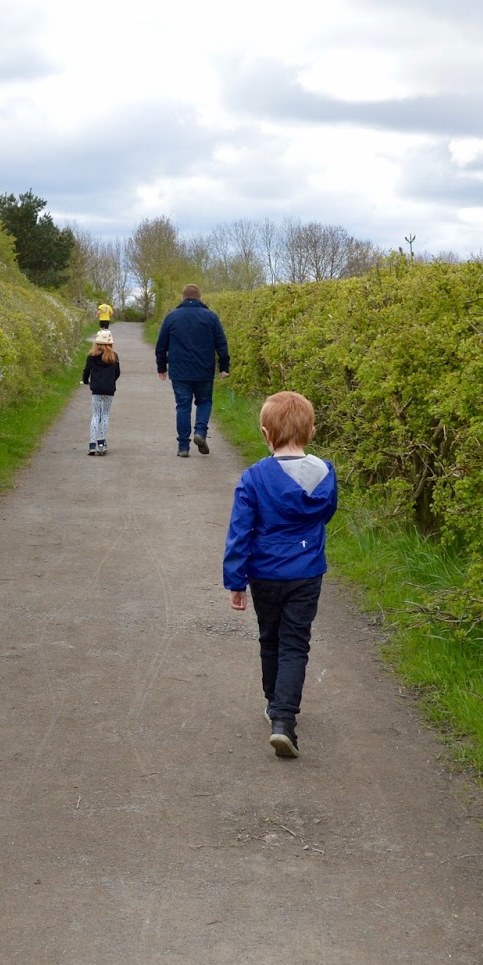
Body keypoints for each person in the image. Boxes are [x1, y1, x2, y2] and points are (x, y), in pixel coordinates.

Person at [223, 391, 338, 759]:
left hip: (265, 574)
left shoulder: (255, 478)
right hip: (306, 572)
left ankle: (275, 703)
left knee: (269, 637)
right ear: (311, 431)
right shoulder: (324, 473)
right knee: (295, 643)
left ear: (265, 433)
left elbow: (240, 531)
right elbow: (326, 513)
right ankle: (284, 721)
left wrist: (236, 581)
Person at [154, 284, 230, 458]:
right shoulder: (211, 317)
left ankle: (183, 447)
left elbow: (161, 345)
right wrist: (224, 367)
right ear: (200, 297)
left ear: (183, 297)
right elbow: (221, 343)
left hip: (179, 371)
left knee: (183, 406)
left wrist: (161, 366)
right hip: (204, 370)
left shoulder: (171, 317)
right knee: (204, 401)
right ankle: (200, 433)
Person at [82, 328, 121, 456]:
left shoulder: (92, 356)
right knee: (105, 414)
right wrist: (110, 380)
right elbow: (117, 373)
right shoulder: (114, 356)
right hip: (109, 389)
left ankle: (92, 444)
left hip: (96, 389)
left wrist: (86, 381)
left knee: (95, 415)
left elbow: (86, 370)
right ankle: (101, 442)